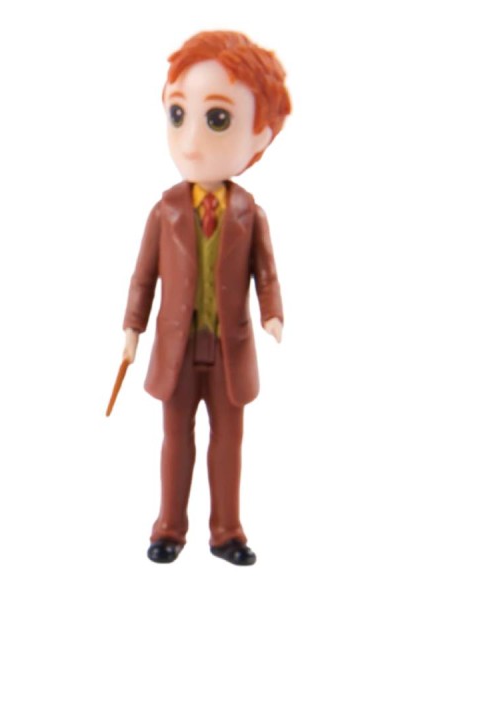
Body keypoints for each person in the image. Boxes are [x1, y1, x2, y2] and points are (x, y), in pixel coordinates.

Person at [121, 31, 291, 567]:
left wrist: (272, 314)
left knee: (227, 442)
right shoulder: (166, 210)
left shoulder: (249, 213)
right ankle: (169, 527)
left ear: (260, 135)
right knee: (176, 440)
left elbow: (266, 272)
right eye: (178, 114)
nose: (191, 140)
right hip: (176, 347)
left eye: (217, 119)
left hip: (228, 349)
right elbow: (143, 277)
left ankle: (227, 532)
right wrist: (132, 328)